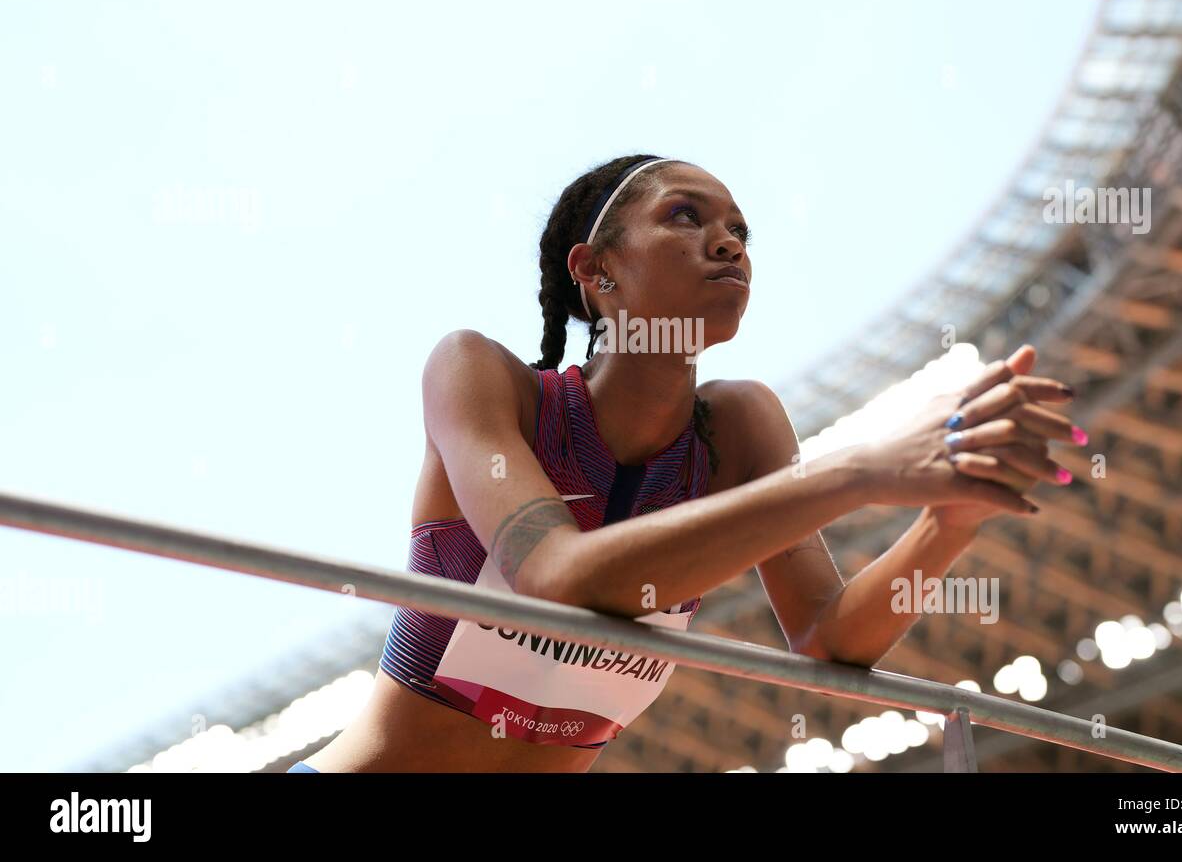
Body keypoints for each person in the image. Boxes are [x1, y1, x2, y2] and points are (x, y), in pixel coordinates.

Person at [290, 154, 1080, 772]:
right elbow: (559, 575)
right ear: (596, 271)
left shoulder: (737, 428)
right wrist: (863, 471)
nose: (729, 241)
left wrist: (951, 520)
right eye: (685, 216)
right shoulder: (484, 379)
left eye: (740, 228)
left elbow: (830, 637)